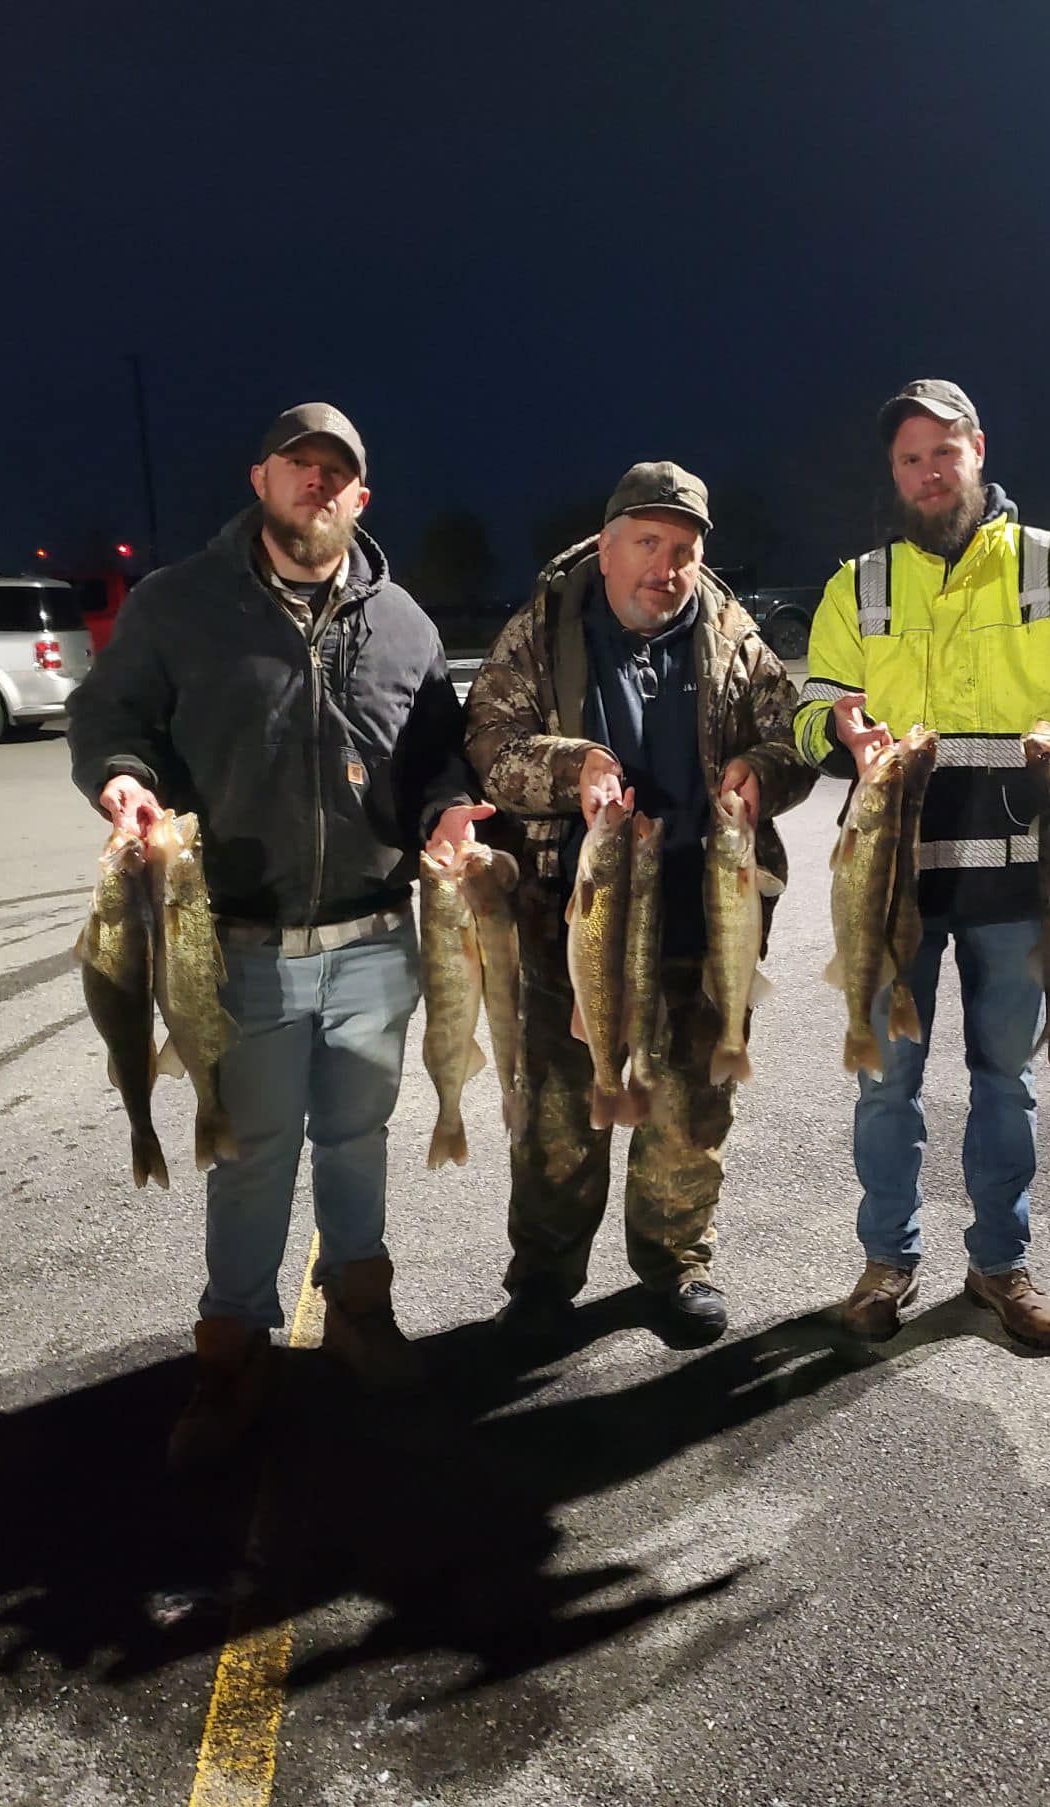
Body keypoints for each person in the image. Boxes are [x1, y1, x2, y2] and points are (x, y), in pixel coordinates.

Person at [67, 402, 485, 1463]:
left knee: (355, 1141)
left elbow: (439, 749)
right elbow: (116, 721)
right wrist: (123, 779)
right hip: (235, 944)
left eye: (334, 472)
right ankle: (232, 1347)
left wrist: (448, 805)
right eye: (297, 466)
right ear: (260, 479)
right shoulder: (180, 605)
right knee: (248, 1156)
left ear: (360, 497)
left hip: (378, 942)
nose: (315, 484)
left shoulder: (405, 625)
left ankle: (359, 1306)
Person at [794, 379, 1050, 1348]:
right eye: (910, 460)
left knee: (1003, 1082)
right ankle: (886, 1260)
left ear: (979, 449)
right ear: (893, 474)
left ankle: (999, 1265)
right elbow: (810, 711)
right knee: (884, 1081)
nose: (930, 474)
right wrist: (837, 731)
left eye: (945, 452)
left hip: (1025, 885)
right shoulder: (861, 585)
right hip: (893, 884)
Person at [464, 461, 813, 1343]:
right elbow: (489, 745)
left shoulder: (735, 637)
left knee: (690, 1114)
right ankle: (543, 1278)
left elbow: (794, 739)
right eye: (650, 544)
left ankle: (676, 1264)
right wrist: (569, 767)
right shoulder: (542, 631)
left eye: (685, 550)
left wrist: (763, 772)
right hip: (570, 915)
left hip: (705, 920)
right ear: (609, 545)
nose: (667, 567)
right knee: (558, 1113)